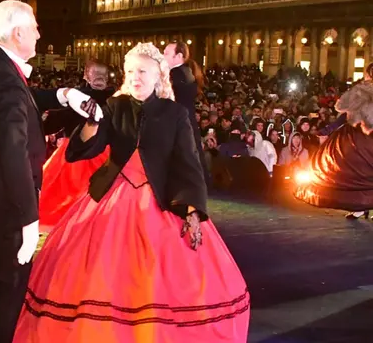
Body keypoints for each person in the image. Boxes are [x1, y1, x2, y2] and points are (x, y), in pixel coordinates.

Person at [14, 42, 250, 343]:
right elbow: (84, 150)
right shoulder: (115, 106)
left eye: (142, 71)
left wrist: (192, 211)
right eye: (129, 71)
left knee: (159, 280)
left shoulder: (174, 114)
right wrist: (91, 122)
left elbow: (187, 165)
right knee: (96, 277)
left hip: (162, 204)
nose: (135, 76)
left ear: (158, 75)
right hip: (110, 200)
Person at [0, 0, 94, 343]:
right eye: (34, 27)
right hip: (4, 218)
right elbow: (12, 153)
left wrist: (61, 95)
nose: (39, 33)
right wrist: (30, 220)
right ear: (18, 33)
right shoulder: (5, 81)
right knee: (0, 311)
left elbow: (21, 99)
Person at [38, 58, 114, 232]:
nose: (99, 78)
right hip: (106, 157)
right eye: (97, 74)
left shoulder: (79, 98)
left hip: (76, 157)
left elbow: (56, 121)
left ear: (86, 76)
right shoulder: (116, 98)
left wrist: (42, 123)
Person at [295, 81, 373, 219]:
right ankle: (360, 207)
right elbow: (346, 115)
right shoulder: (363, 92)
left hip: (366, 141)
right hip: (357, 139)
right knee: (352, 172)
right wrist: (328, 129)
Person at [164, 41, 211, 187]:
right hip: (185, 119)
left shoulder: (176, 74)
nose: (163, 56)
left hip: (178, 121)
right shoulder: (185, 72)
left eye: (166, 53)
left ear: (178, 56)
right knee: (192, 152)